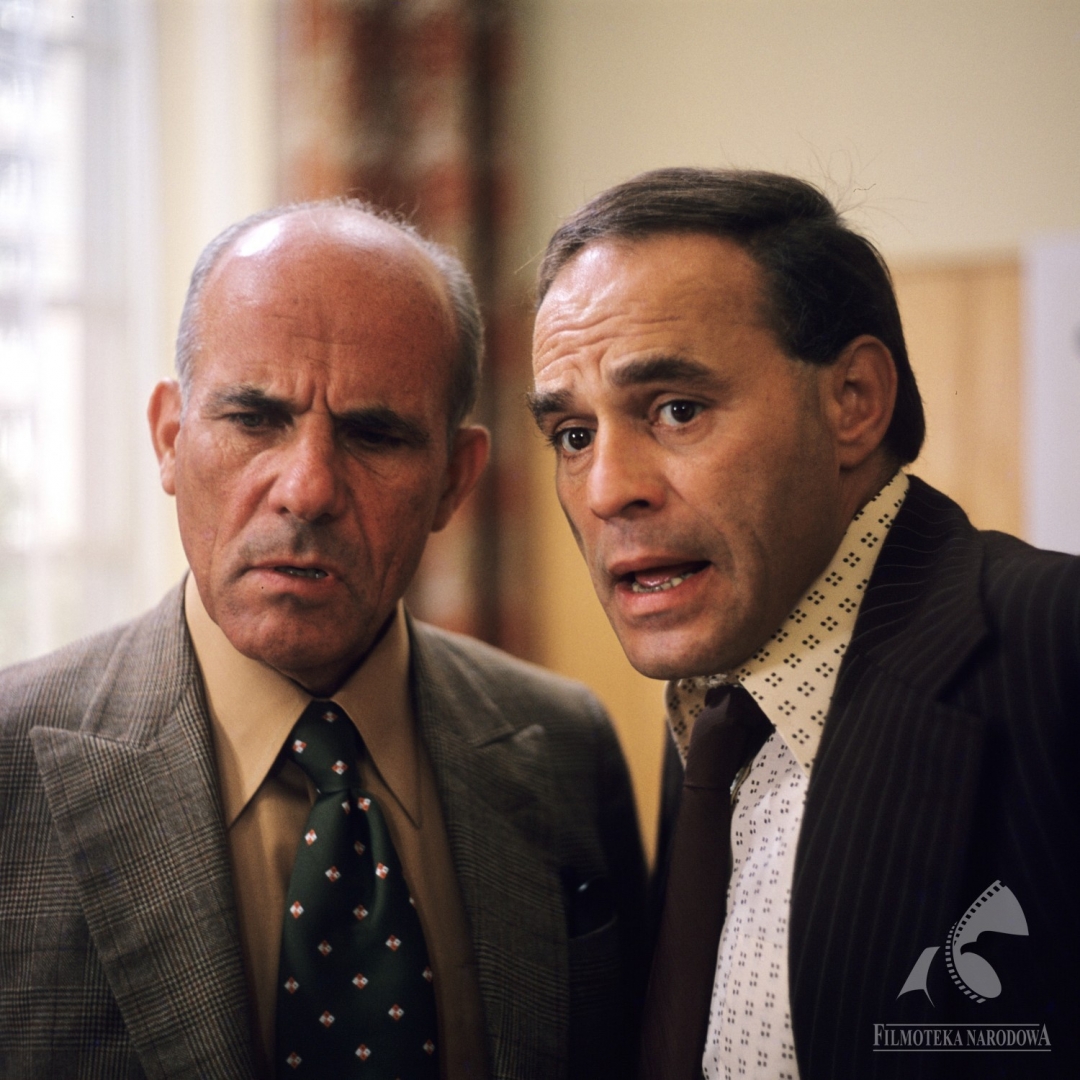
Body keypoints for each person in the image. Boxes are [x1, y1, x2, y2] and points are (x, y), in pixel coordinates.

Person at [0, 201, 647, 1080]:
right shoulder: (13, 759)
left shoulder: (566, 747)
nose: (305, 489)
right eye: (253, 419)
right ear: (170, 438)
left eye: (374, 434)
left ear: (455, 481)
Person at [529, 168, 1077, 1080]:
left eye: (676, 410)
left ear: (853, 400)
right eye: (574, 435)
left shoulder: (1054, 646)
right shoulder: (718, 700)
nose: (607, 489)